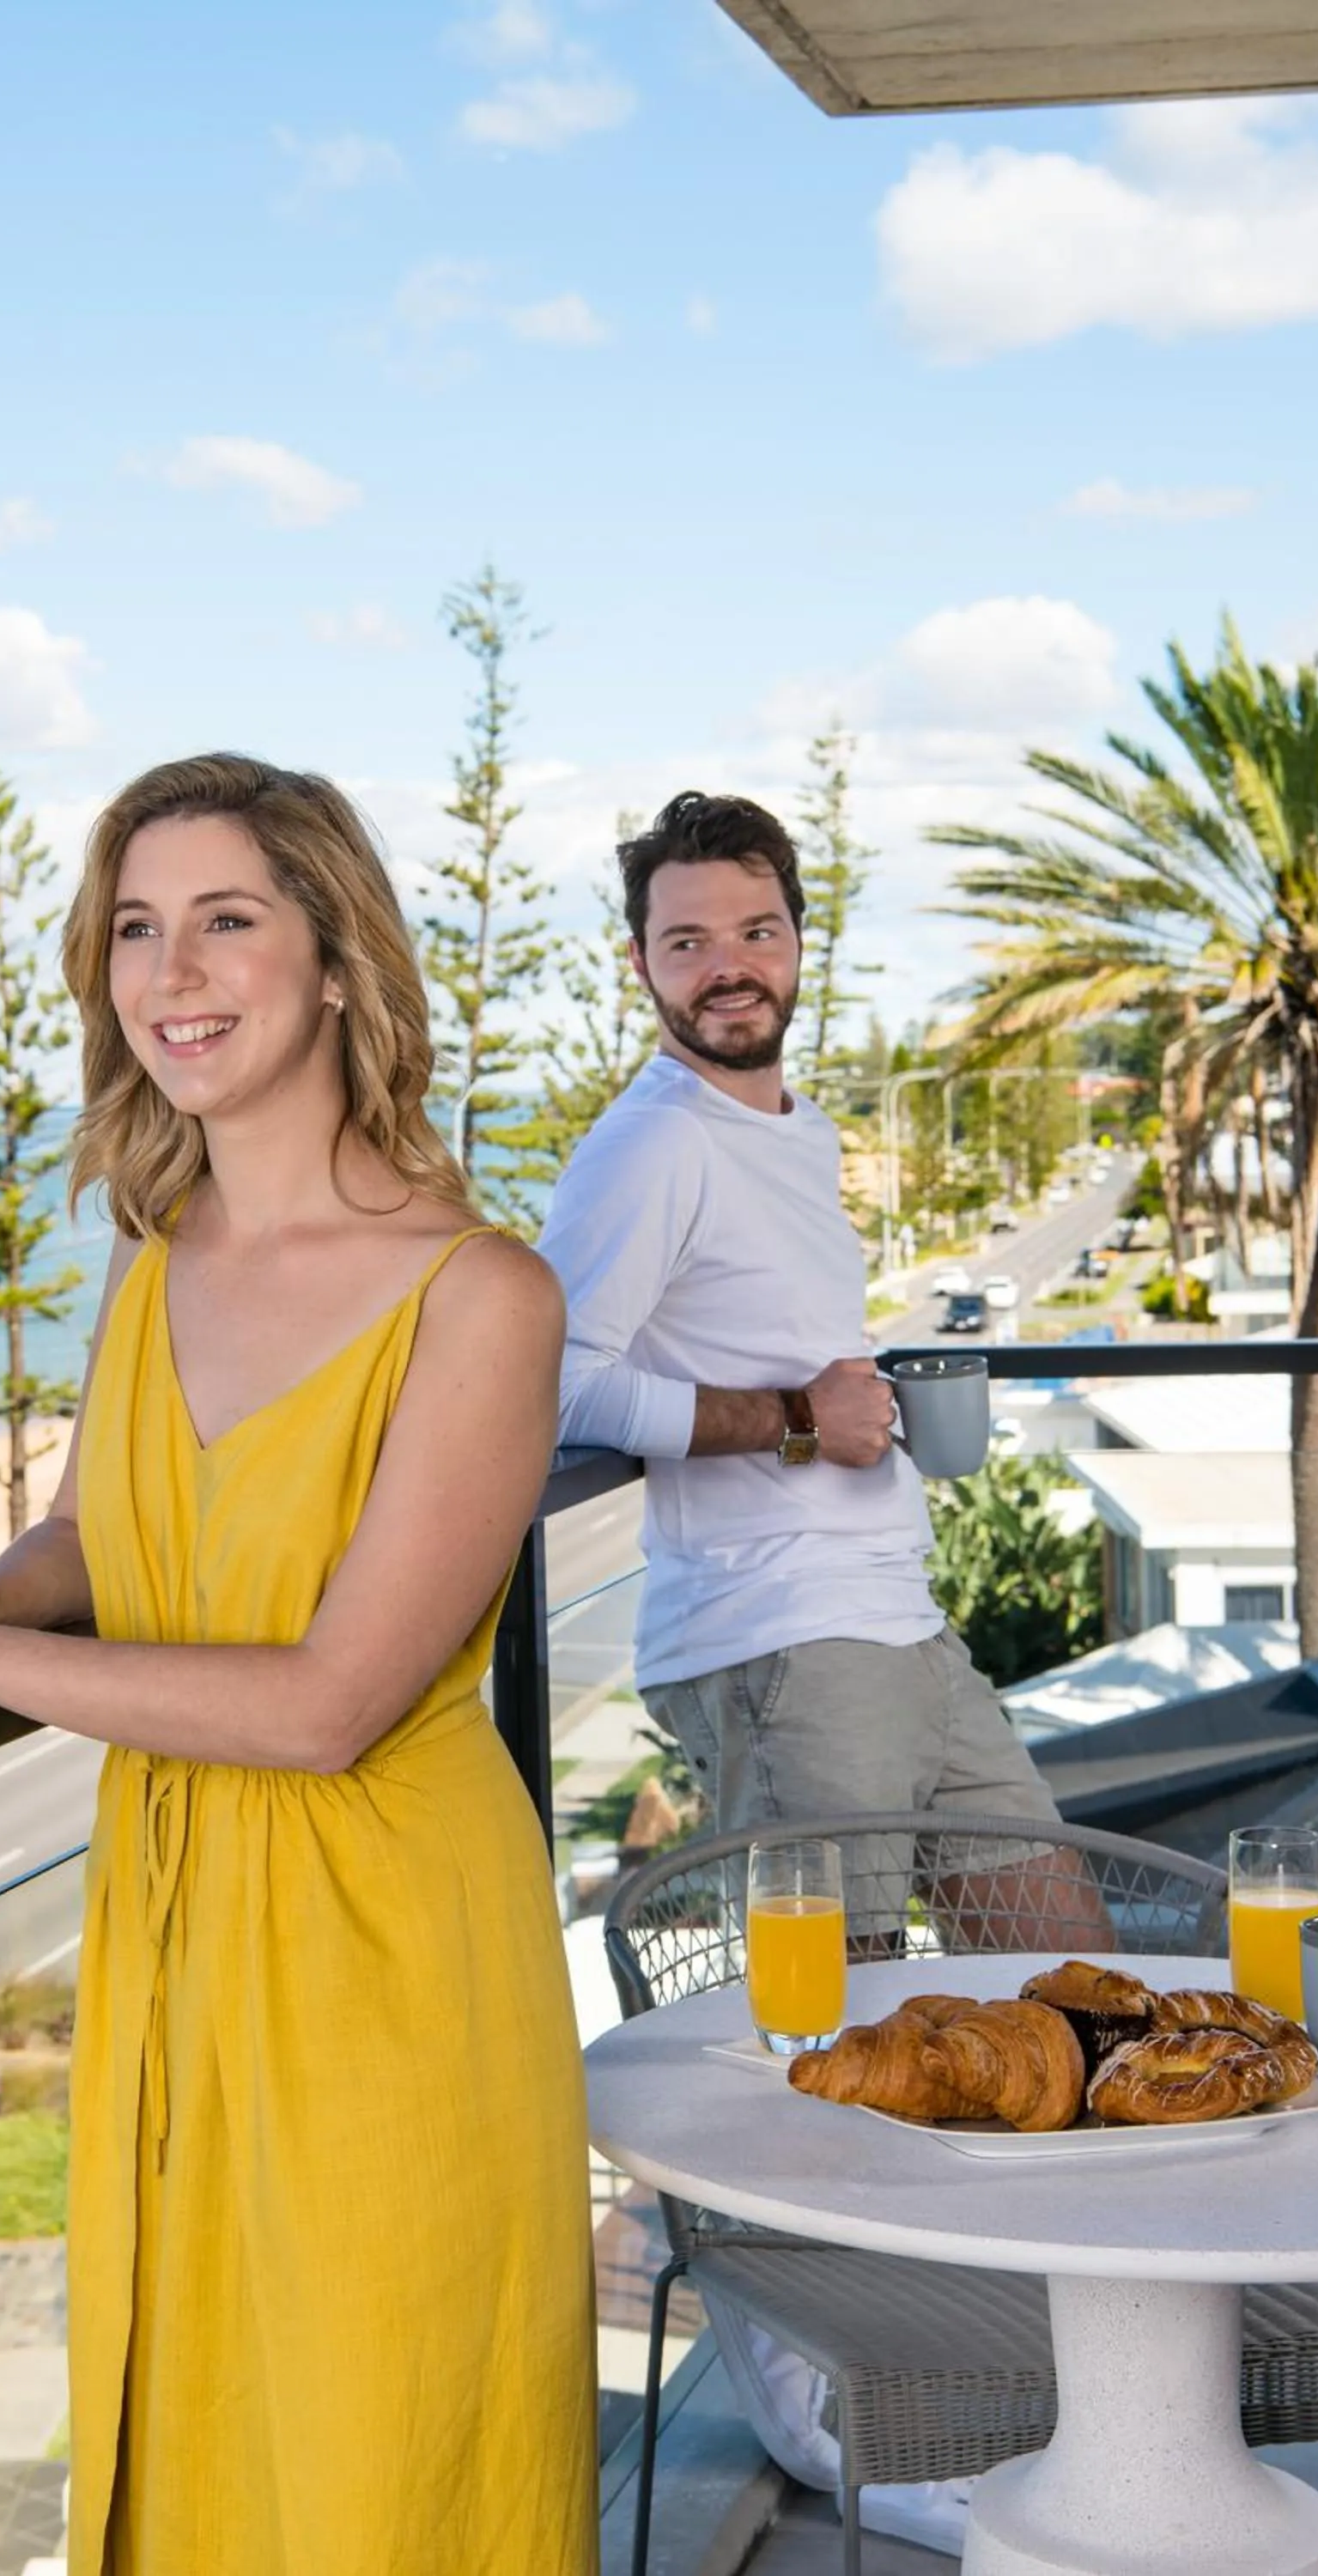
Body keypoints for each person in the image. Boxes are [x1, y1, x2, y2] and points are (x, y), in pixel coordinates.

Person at [0, 755, 599, 2576]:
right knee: (194, 2455)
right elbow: (94, 1539)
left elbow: (325, 1705)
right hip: (169, 1932)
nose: (173, 970)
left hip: (390, 1955)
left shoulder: (484, 1297)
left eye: (227, 918)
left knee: (384, 2469)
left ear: (336, 959)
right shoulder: (159, 1260)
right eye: (136, 929)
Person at [538, 789, 1066, 1866]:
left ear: (795, 946)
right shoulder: (652, 1145)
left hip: (897, 1613)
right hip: (775, 1636)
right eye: (686, 941)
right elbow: (549, 1384)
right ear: (640, 965)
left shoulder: (800, 1132)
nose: (726, 965)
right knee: (828, 2015)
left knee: (1061, 1967)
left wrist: (863, 1406)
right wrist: (797, 1420)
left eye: (754, 932)